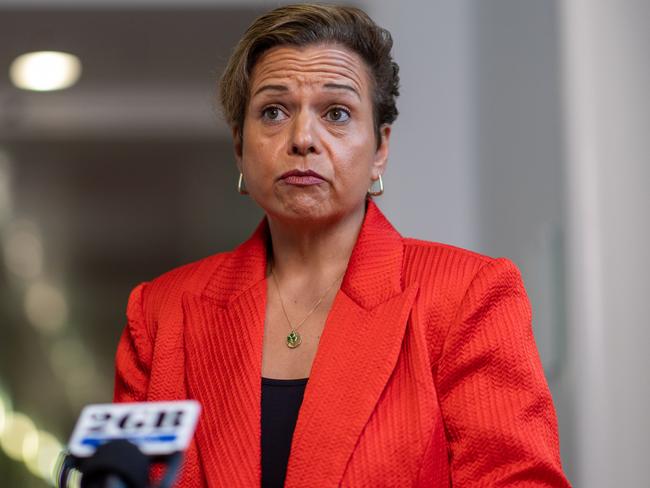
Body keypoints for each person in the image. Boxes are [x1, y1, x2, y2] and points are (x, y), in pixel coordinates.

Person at [113, 4, 571, 487]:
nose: (302, 139)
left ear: (380, 148)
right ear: (238, 147)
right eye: (273, 112)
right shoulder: (161, 314)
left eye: (336, 113)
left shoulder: (467, 295)